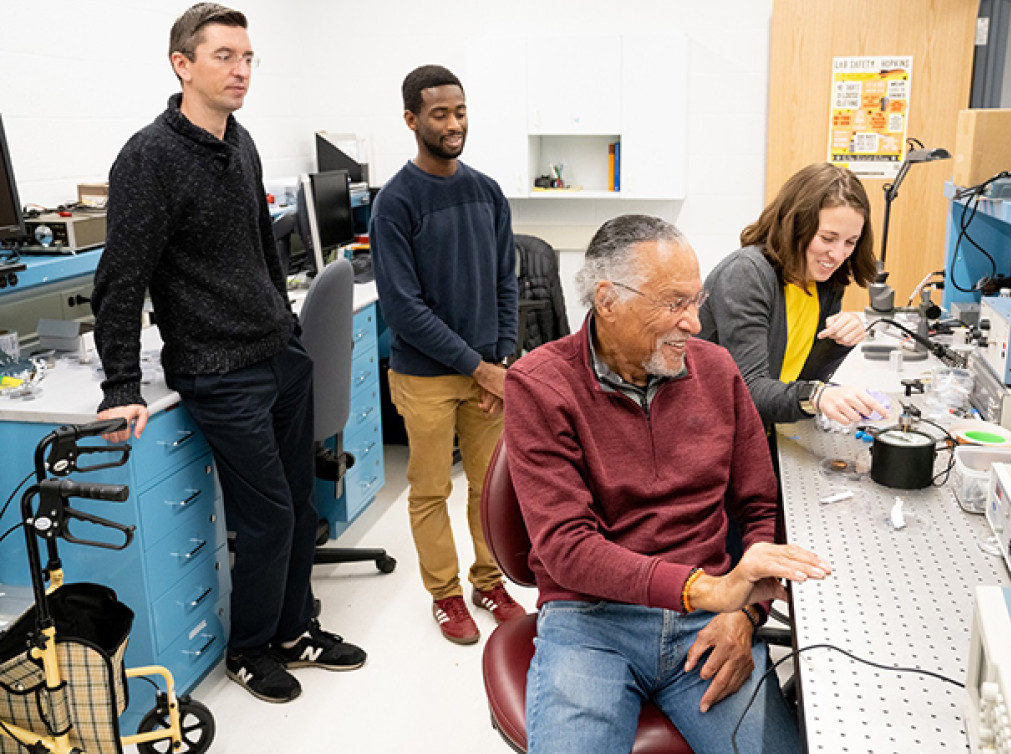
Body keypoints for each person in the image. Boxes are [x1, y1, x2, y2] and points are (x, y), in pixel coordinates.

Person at [91, 2, 364, 704]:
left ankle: (295, 629)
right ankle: (249, 649)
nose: (241, 70)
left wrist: (287, 325)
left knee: (302, 506)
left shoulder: (238, 141)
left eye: (247, 58)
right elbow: (120, 280)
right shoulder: (149, 158)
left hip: (278, 354)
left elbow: (259, 246)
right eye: (224, 57)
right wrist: (121, 382)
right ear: (183, 64)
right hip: (218, 371)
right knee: (268, 514)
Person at [503, 214, 832, 753]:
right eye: (674, 303)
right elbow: (566, 547)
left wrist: (745, 613)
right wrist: (709, 590)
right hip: (591, 621)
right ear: (607, 300)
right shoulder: (540, 385)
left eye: (696, 301)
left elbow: (759, 506)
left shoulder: (717, 370)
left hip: (709, 621)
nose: (694, 323)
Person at [370, 64, 524, 645]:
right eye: (440, 114)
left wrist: (500, 361)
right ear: (412, 120)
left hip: (488, 374)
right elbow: (405, 310)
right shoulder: (396, 204)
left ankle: (490, 580)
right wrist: (478, 366)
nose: (454, 123)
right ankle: (445, 594)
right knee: (431, 489)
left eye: (460, 111)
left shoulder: (485, 191)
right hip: (428, 378)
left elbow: (506, 284)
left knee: (490, 487)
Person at [699, 162, 888, 426]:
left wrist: (838, 342)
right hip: (714, 432)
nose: (838, 255)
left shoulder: (825, 281)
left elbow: (803, 379)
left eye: (850, 242)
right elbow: (748, 392)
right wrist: (818, 396)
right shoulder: (746, 275)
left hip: (763, 428)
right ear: (795, 224)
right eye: (827, 238)